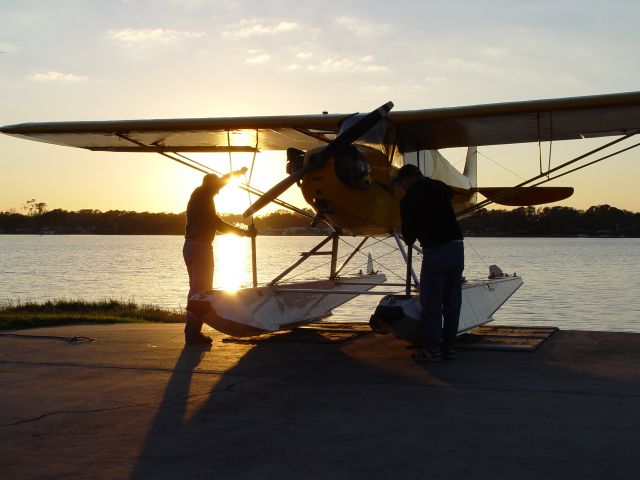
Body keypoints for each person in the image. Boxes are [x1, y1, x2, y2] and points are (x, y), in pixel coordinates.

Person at [394, 164, 464, 361]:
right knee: (452, 300)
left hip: (436, 249)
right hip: (457, 247)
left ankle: (432, 349)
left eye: (401, 183)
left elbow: (408, 237)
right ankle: (449, 347)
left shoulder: (409, 199)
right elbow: (449, 192)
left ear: (407, 180)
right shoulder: (439, 187)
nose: (401, 187)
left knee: (432, 301)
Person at [183, 169, 255, 345]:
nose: (218, 191)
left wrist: (244, 233)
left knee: (195, 291)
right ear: (210, 185)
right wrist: (236, 174)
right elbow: (218, 222)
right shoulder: (202, 194)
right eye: (216, 188)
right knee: (201, 292)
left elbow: (217, 223)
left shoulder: (202, 201)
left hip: (190, 247)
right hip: (200, 248)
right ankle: (192, 335)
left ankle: (191, 331)